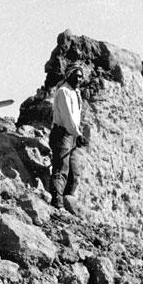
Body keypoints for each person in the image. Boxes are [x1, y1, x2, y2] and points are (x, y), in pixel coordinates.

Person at [49, 64, 88, 209]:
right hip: (62, 134)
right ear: (68, 75)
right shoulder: (63, 92)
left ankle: (67, 203)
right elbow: (67, 118)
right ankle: (57, 204)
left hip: (71, 135)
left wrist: (78, 134)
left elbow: (76, 117)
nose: (79, 79)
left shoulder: (76, 92)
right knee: (61, 170)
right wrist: (78, 134)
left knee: (74, 174)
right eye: (76, 76)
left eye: (80, 76)